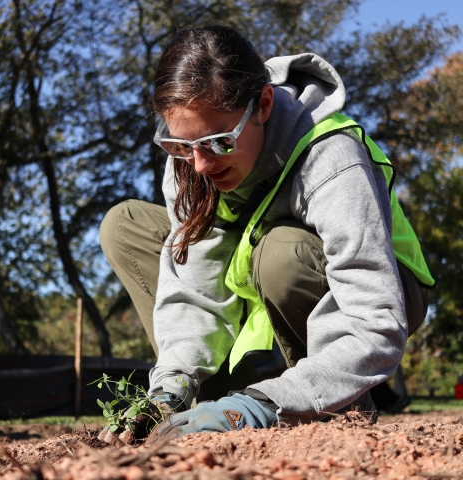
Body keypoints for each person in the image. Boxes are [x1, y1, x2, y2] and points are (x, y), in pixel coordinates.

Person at [98, 24, 434, 445]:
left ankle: (332, 406)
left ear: (264, 105)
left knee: (280, 255)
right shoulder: (191, 161)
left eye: (219, 141)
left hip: (382, 292)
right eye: (180, 145)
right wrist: (170, 388)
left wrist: (266, 402)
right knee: (125, 224)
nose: (199, 164)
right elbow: (194, 290)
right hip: (261, 282)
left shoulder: (331, 156)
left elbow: (376, 321)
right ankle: (215, 404)